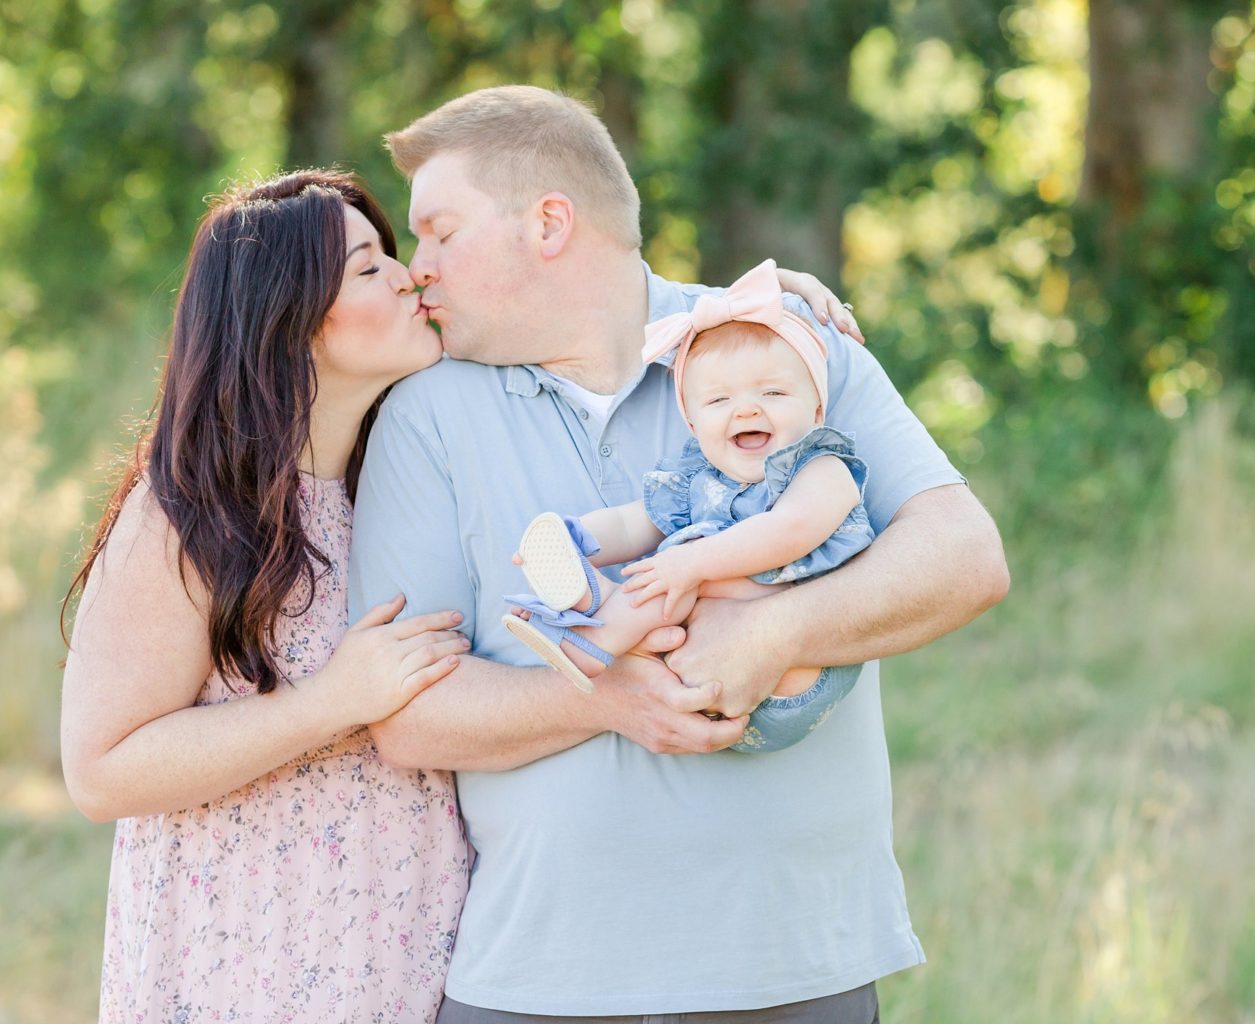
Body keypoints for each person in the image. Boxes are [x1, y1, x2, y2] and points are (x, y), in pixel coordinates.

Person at [349, 84, 1010, 1022]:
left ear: (547, 223)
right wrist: (613, 700)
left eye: (440, 232)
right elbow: (409, 719)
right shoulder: (424, 414)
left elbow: (966, 559)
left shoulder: (782, 348)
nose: (419, 269)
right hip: (538, 981)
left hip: (793, 968)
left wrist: (774, 632)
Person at [59, 170, 472, 1023]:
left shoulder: (407, 483)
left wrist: (778, 317)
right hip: (248, 976)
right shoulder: (188, 511)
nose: (407, 276)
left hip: (410, 968)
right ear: (288, 318)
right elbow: (100, 770)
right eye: (368, 269)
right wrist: (335, 701)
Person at [504, 258, 875, 753]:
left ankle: (596, 632)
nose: (747, 408)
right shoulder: (700, 478)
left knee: (689, 557)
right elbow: (635, 521)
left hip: (799, 676)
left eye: (773, 392)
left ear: (816, 409)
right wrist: (582, 538)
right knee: (672, 556)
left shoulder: (820, 467)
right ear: (695, 425)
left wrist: (691, 564)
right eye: (719, 401)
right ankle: (587, 597)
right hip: (702, 677)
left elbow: (791, 531)